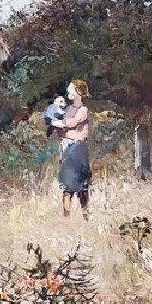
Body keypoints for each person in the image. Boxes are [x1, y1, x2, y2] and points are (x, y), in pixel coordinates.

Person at [50, 79, 91, 219]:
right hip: (67, 147)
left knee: (82, 186)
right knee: (67, 186)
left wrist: (60, 123)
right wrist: (59, 128)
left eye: (71, 89)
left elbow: (73, 123)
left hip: (78, 149)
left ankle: (85, 215)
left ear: (79, 92)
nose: (68, 91)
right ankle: (66, 217)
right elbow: (62, 128)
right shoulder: (67, 109)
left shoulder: (83, 110)